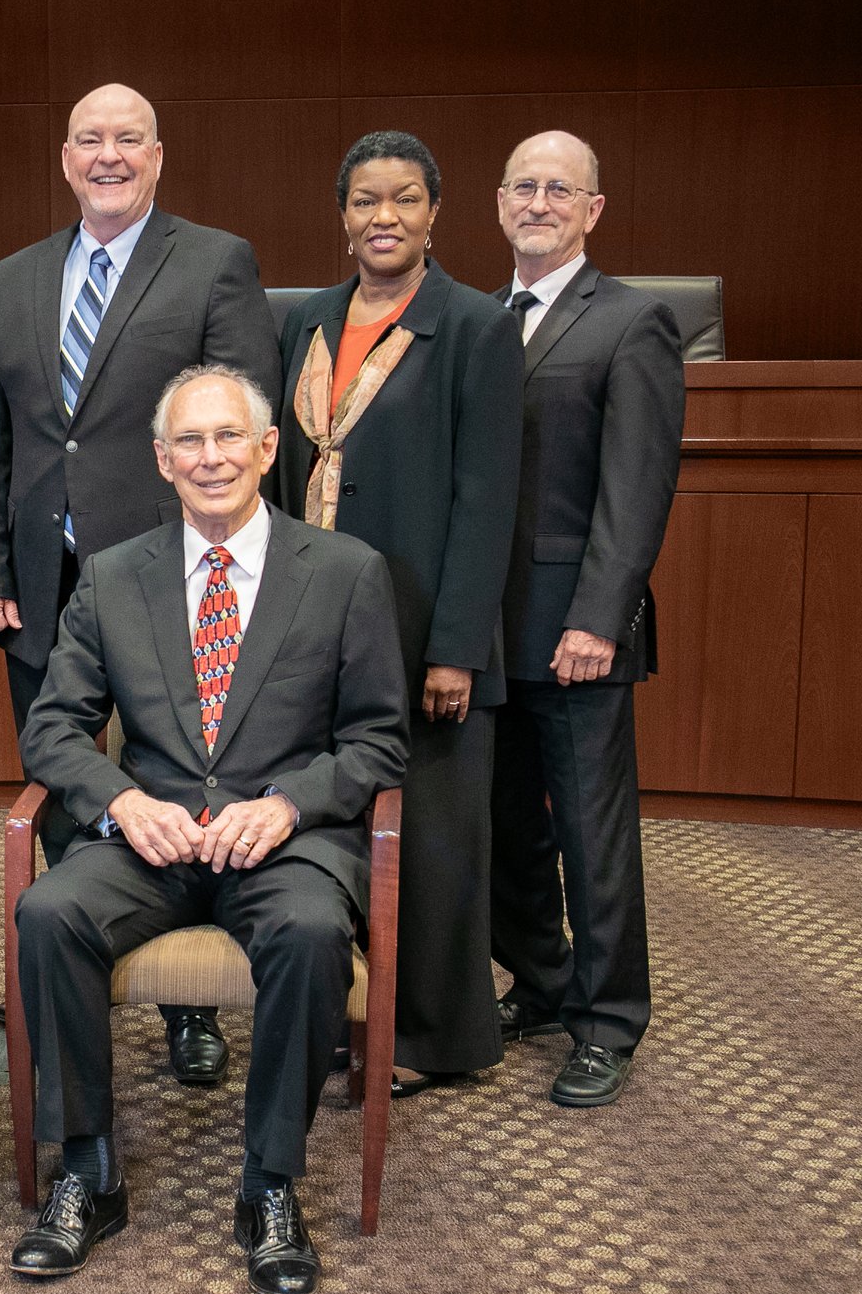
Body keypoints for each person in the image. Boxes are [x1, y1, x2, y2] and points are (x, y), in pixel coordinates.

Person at [7, 365, 406, 1294]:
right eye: (190, 441)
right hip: (150, 840)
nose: (211, 456)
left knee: (311, 935)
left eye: (230, 436)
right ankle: (87, 1169)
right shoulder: (111, 577)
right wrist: (120, 802)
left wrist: (288, 804)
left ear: (270, 448)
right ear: (162, 459)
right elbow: (53, 727)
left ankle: (269, 1183)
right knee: (48, 909)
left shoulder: (347, 572)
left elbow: (380, 739)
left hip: (284, 842)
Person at [0, 82, 282, 1088]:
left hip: (172, 577)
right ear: (64, 158)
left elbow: (236, 421)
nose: (108, 155)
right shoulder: (14, 277)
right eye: (90, 140)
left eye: (127, 140)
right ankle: (71, 965)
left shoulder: (214, 260)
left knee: (180, 776)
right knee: (60, 779)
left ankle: (192, 1007)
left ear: (157, 154)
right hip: (39, 580)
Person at [273, 131, 523, 1101]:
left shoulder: (473, 326)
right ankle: (346, 1014)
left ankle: (434, 1032)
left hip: (427, 629)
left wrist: (457, 645)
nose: (384, 217)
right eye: (366, 200)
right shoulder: (309, 322)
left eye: (405, 199)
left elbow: (485, 496)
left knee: (433, 836)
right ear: (341, 217)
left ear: (434, 213)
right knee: (333, 822)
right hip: (320, 623)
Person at [488, 130, 686, 1108]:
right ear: (496, 202)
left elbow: (637, 487)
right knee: (508, 827)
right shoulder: (482, 319)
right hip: (488, 635)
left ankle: (607, 1019)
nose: (538, 201)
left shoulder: (633, 321)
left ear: (592, 209)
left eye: (558, 188)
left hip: (577, 633)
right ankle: (542, 980)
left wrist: (600, 617)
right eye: (522, 186)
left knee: (592, 836)